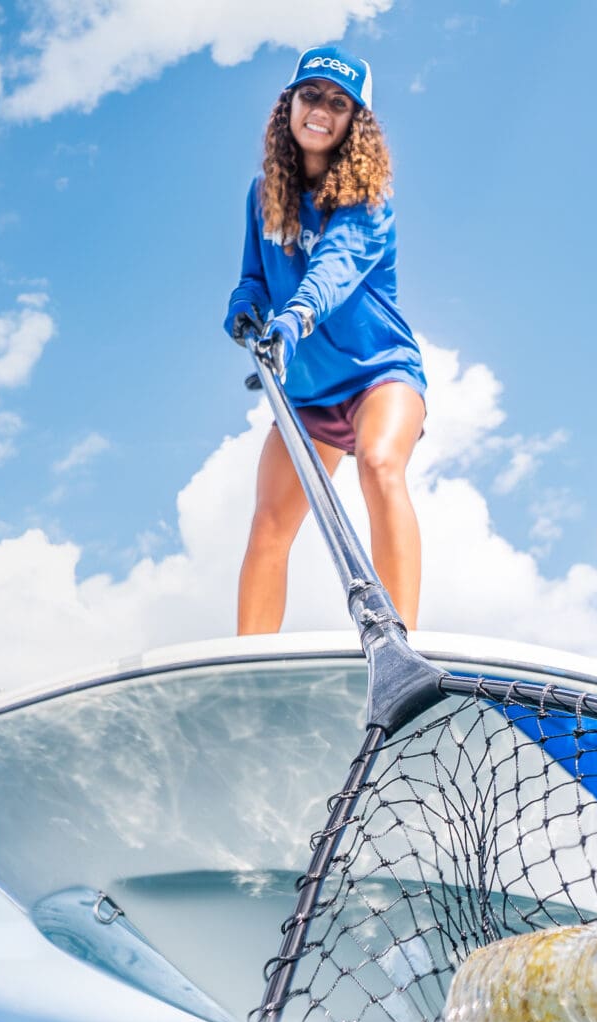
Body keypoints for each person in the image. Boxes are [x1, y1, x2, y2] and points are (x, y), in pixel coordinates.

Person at [225, 43, 426, 635]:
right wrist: (246, 310)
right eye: (310, 94)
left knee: (381, 465)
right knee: (269, 524)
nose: (321, 109)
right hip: (308, 391)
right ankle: (247, 671)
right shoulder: (263, 194)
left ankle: (400, 647)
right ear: (288, 105)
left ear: (354, 123)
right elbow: (253, 276)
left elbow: (333, 269)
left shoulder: (368, 199)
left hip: (378, 374)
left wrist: (291, 321)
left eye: (339, 102)